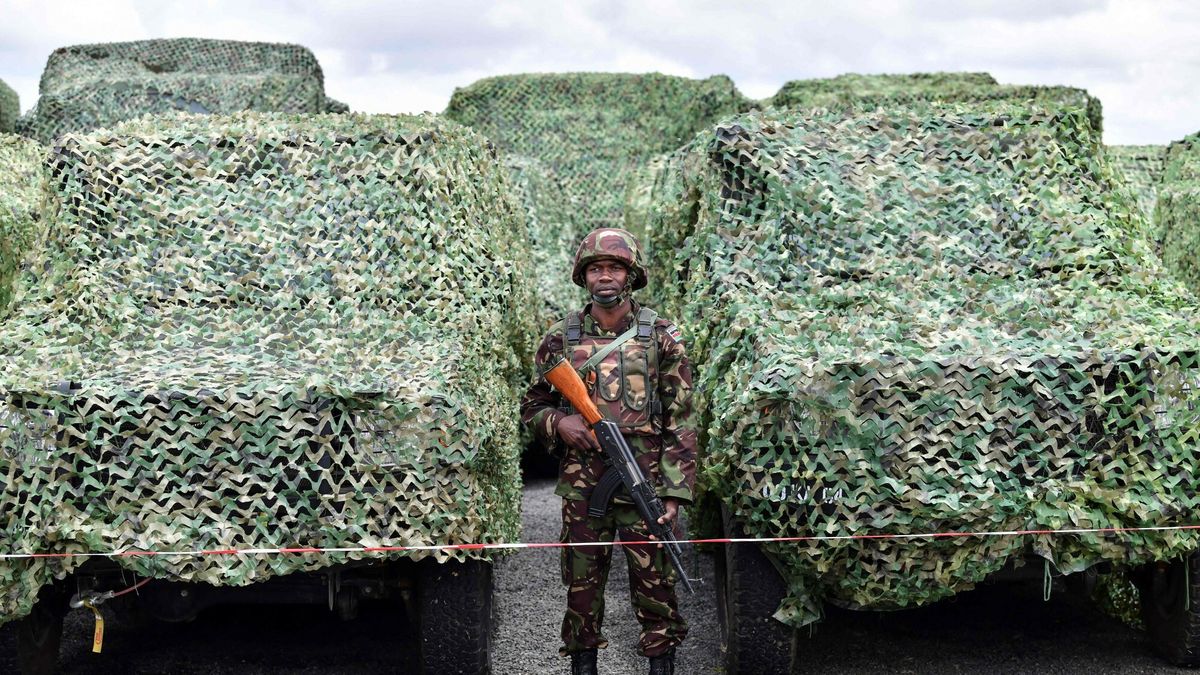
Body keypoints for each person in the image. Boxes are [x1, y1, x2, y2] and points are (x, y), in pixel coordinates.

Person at [521, 227, 697, 675]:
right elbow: (533, 404)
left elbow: (682, 416)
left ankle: (661, 666)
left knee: (656, 587)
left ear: (630, 275)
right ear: (584, 277)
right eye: (596, 268)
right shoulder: (561, 338)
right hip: (583, 487)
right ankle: (583, 667)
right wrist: (560, 422)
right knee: (582, 589)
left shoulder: (661, 336)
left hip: (647, 481)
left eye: (614, 268)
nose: (605, 277)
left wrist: (675, 493)